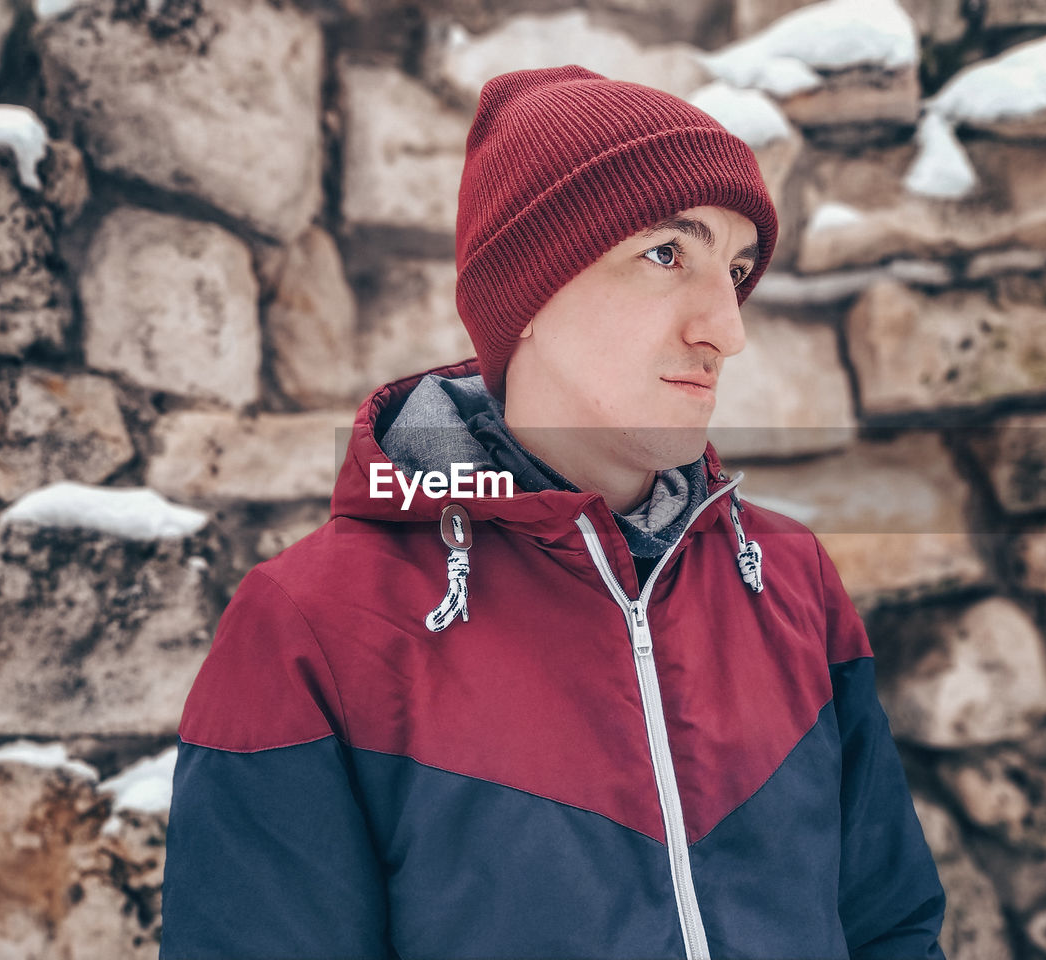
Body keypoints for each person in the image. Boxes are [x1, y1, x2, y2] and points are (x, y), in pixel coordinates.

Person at [160, 65, 946, 960]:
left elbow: (891, 929)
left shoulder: (788, 578)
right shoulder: (311, 630)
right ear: (528, 294)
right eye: (667, 255)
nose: (726, 329)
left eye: (733, 271)